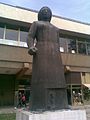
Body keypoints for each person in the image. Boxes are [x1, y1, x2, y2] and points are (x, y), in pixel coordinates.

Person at [27, 6, 68, 110]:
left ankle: (61, 104)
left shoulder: (56, 29)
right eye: (44, 11)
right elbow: (30, 36)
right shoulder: (36, 24)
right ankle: (39, 104)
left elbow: (58, 42)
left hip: (55, 54)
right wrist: (31, 47)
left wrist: (58, 52)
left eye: (48, 11)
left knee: (58, 77)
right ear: (40, 14)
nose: (46, 12)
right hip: (41, 51)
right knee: (42, 75)